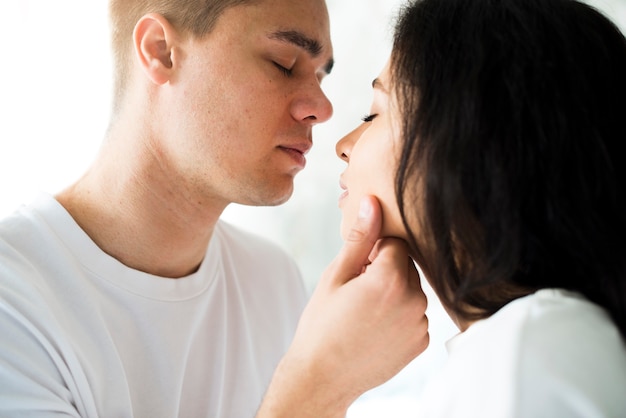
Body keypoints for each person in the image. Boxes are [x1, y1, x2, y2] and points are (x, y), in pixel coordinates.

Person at [0, 0, 429, 416]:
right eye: (283, 63)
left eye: (319, 75)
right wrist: (320, 385)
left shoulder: (272, 283)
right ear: (161, 51)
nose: (322, 108)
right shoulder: (13, 303)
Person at [257, 0, 626, 416]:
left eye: (374, 114)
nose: (343, 146)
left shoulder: (529, 350)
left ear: (474, 142)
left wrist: (312, 384)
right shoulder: (533, 346)